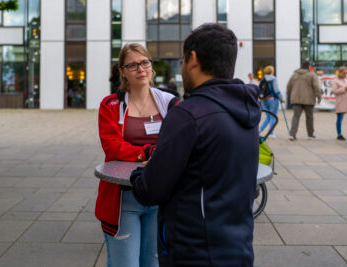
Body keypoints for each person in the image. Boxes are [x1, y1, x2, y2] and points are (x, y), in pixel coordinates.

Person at [130, 23, 260, 266]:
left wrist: (140, 172)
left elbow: (150, 190)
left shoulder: (188, 115)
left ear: (193, 59)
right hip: (238, 249)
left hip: (195, 251)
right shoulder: (246, 110)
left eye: (182, 59)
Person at [96, 43, 178, 267]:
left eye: (144, 63)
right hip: (123, 199)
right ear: (122, 71)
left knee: (152, 264)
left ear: (151, 67)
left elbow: (178, 143)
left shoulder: (171, 103)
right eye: (132, 65)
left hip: (159, 196)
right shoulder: (110, 105)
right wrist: (147, 152)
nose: (140, 69)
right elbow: (112, 147)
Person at [286, 61, 322, 141]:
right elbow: (316, 87)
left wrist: (291, 94)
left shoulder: (294, 75)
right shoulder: (312, 75)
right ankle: (310, 135)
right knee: (309, 117)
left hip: (296, 99)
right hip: (308, 99)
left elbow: (288, 86)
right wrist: (319, 97)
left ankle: (292, 134)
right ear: (309, 67)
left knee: (296, 117)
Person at [332, 66, 347, 142]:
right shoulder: (335, 81)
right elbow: (334, 91)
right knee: (340, 118)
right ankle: (339, 134)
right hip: (341, 101)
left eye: (346, 73)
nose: (345, 75)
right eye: (344, 73)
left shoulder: (346, 80)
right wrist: (344, 89)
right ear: (339, 72)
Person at [259, 65, 284, 138]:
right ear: (271, 71)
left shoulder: (263, 79)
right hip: (273, 99)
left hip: (264, 99)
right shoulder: (274, 79)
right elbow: (276, 90)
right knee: (273, 116)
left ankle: (259, 130)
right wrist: (281, 98)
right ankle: (271, 133)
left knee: (268, 116)